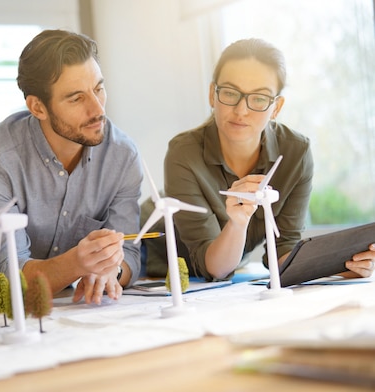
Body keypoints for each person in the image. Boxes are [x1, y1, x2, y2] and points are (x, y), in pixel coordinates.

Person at [145, 38, 375, 281]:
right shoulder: (184, 152)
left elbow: (284, 250)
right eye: (230, 93)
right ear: (212, 95)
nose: (241, 110)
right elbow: (213, 266)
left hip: (221, 270)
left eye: (259, 98)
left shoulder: (296, 153)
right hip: (150, 255)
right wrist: (237, 223)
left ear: (276, 107)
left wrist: (343, 265)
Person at [0, 29, 143, 305]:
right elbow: (11, 278)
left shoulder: (122, 155)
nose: (98, 109)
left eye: (99, 88)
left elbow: (129, 251)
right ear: (38, 107)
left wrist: (110, 270)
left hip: (70, 280)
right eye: (76, 98)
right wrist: (78, 263)